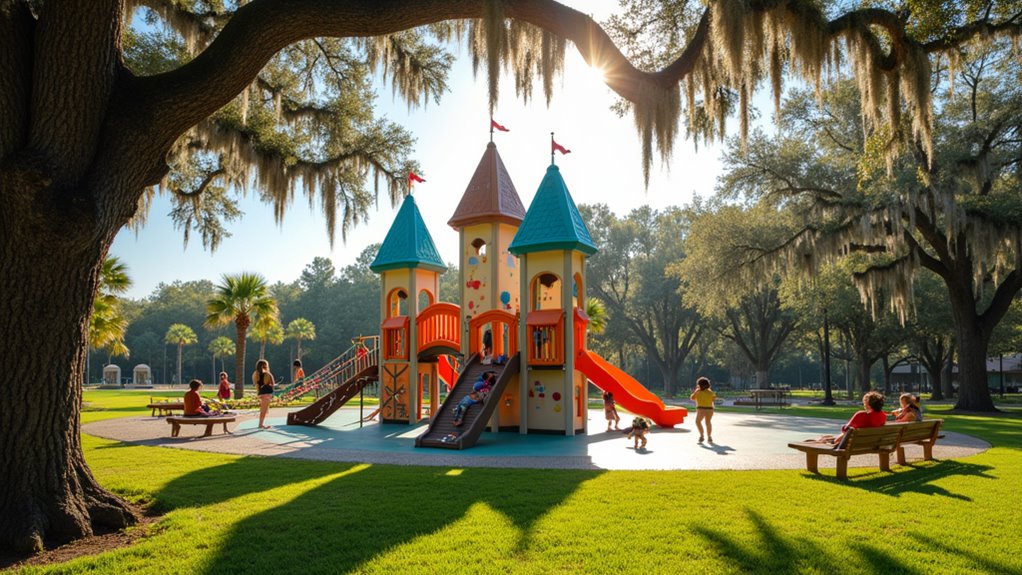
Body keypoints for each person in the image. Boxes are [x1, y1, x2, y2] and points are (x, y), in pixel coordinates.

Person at [814, 391, 886, 446]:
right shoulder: (883, 416)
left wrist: (833, 441)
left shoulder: (861, 415)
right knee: (828, 438)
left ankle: (827, 440)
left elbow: (845, 429)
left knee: (824, 440)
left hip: (850, 445)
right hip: (870, 444)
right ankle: (827, 439)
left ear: (868, 403)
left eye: (864, 402)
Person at [690, 377, 717, 443]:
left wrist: (696, 392)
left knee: (698, 422)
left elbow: (692, 398)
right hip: (709, 409)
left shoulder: (698, 392)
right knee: (708, 422)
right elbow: (713, 399)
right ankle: (709, 437)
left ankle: (702, 436)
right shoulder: (710, 392)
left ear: (699, 384)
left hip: (701, 409)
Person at [253, 359, 275, 429]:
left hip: (261, 393)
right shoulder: (267, 374)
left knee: (264, 409)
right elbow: (272, 384)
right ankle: (261, 424)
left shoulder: (255, 374)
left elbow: (256, 384)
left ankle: (262, 424)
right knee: (264, 410)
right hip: (267, 394)